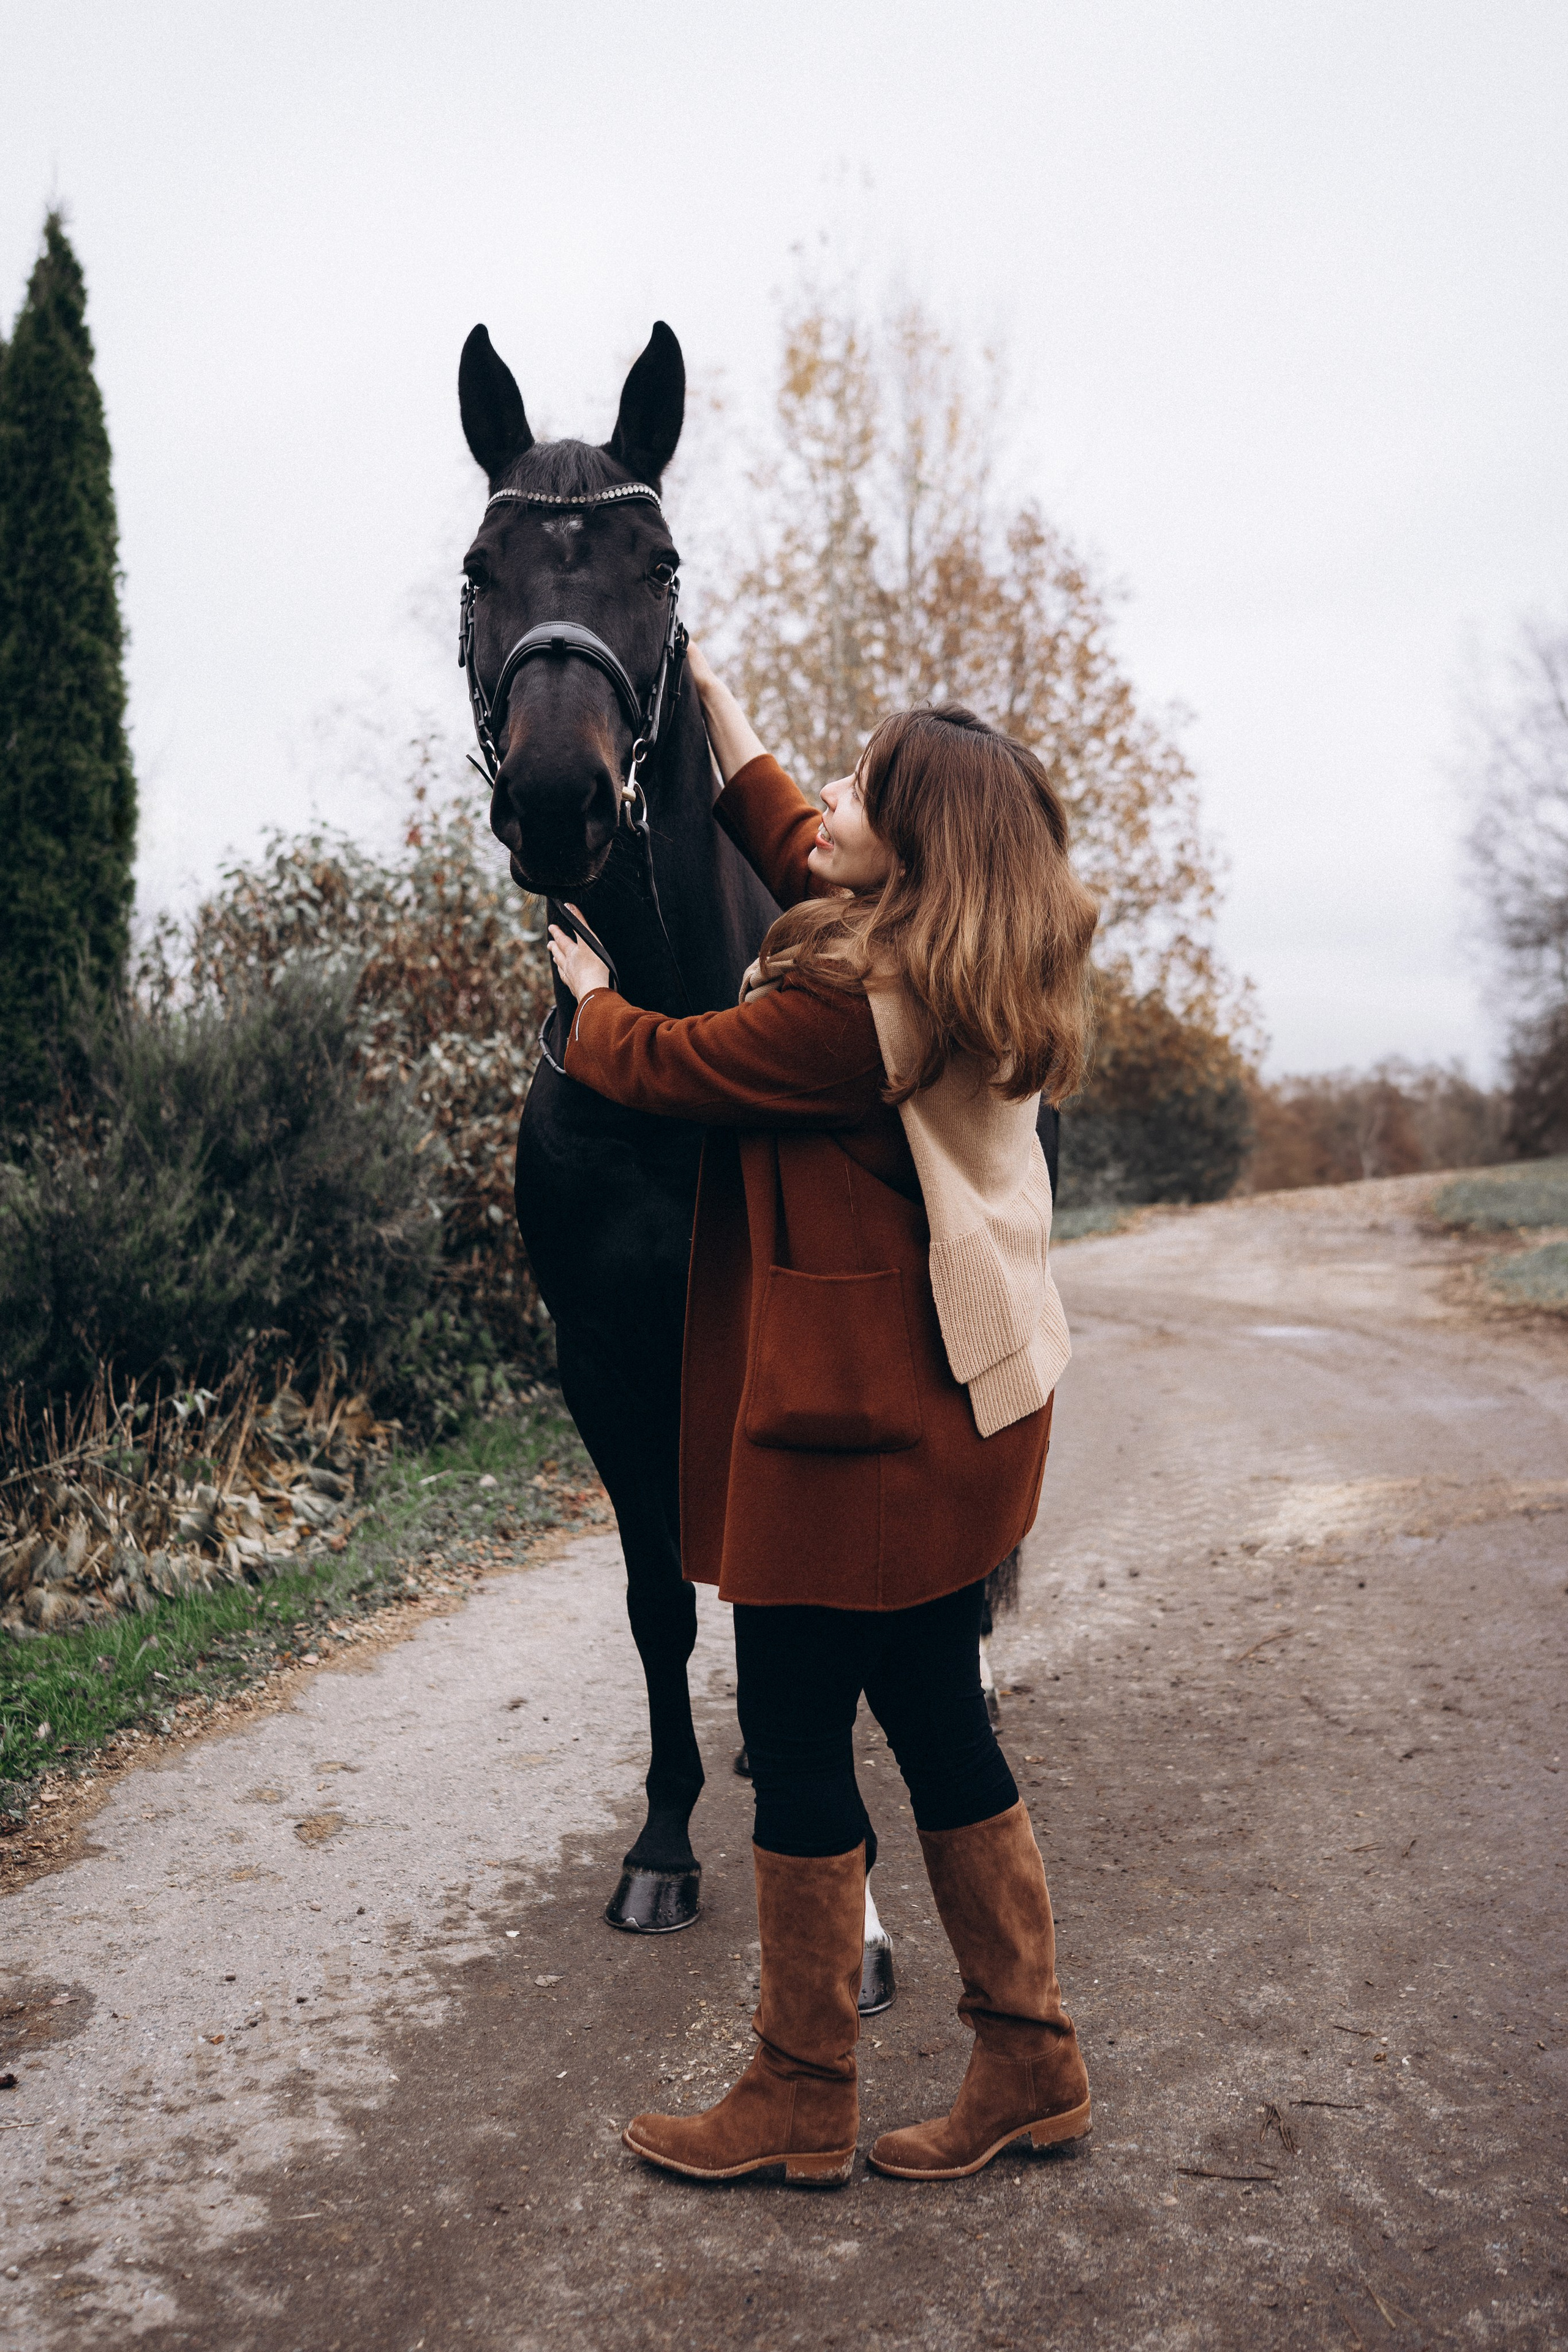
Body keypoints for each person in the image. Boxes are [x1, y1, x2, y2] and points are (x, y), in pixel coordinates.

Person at [546, 646, 1099, 2186]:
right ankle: (1029, 2061)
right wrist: (708, 702)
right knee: (937, 1721)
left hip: (848, 1437)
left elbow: (677, 1065)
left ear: (914, 858)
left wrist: (588, 1010)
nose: (830, 801)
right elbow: (798, 838)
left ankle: (800, 2093)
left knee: (793, 1743)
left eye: (863, 790)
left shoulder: (848, 1008)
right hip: (942, 1424)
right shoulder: (952, 954)